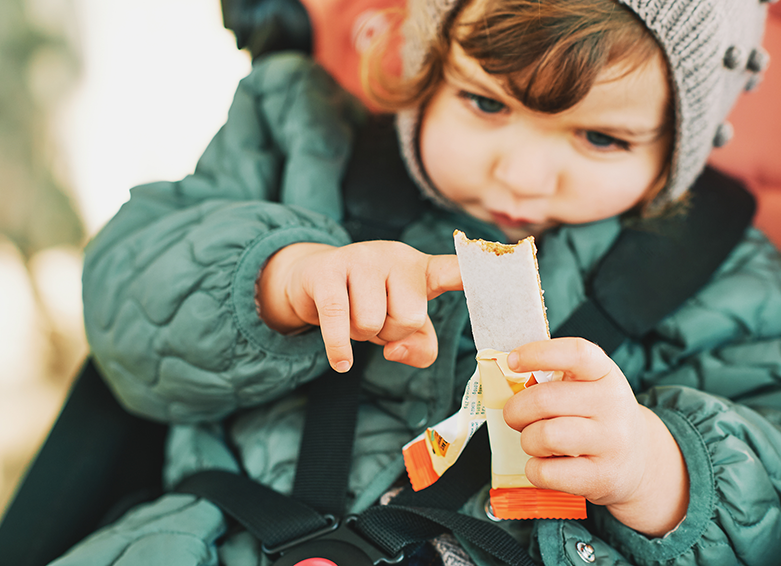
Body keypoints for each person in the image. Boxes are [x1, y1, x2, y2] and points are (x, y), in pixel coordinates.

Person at [56, 0, 781, 564]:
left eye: (601, 138)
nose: (521, 176)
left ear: (674, 148)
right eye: (485, 103)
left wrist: (658, 474)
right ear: (429, 66)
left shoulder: (727, 279)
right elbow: (127, 306)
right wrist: (282, 281)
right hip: (217, 540)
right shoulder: (303, 139)